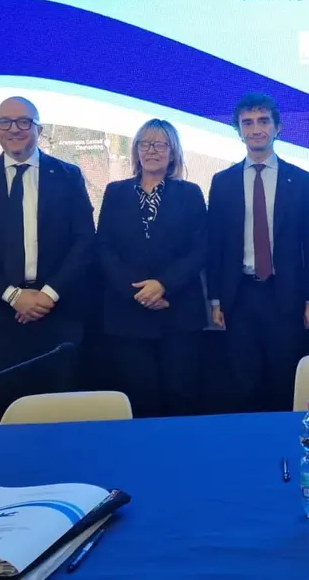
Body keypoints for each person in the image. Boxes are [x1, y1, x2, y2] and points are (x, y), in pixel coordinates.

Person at [0, 96, 95, 418]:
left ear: (39, 129)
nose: (14, 129)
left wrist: (48, 295)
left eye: (23, 121)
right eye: (4, 122)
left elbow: (84, 242)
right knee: (13, 406)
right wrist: (14, 296)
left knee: (64, 405)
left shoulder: (68, 175)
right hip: (0, 313)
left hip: (59, 309)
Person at [207, 93, 309, 412]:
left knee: (285, 380)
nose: (255, 129)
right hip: (239, 295)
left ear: (277, 127)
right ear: (238, 131)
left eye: (263, 121)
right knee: (243, 382)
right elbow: (215, 245)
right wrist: (215, 300)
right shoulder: (223, 182)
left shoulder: (301, 180)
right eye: (247, 123)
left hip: (285, 294)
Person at [96, 119, 207, 417]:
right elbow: (104, 247)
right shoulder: (115, 192)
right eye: (145, 144)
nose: (152, 150)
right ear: (135, 151)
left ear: (173, 152)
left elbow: (200, 249)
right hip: (128, 313)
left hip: (178, 311)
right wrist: (139, 291)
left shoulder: (190, 193)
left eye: (160, 144)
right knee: (138, 396)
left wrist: (163, 285)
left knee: (181, 394)